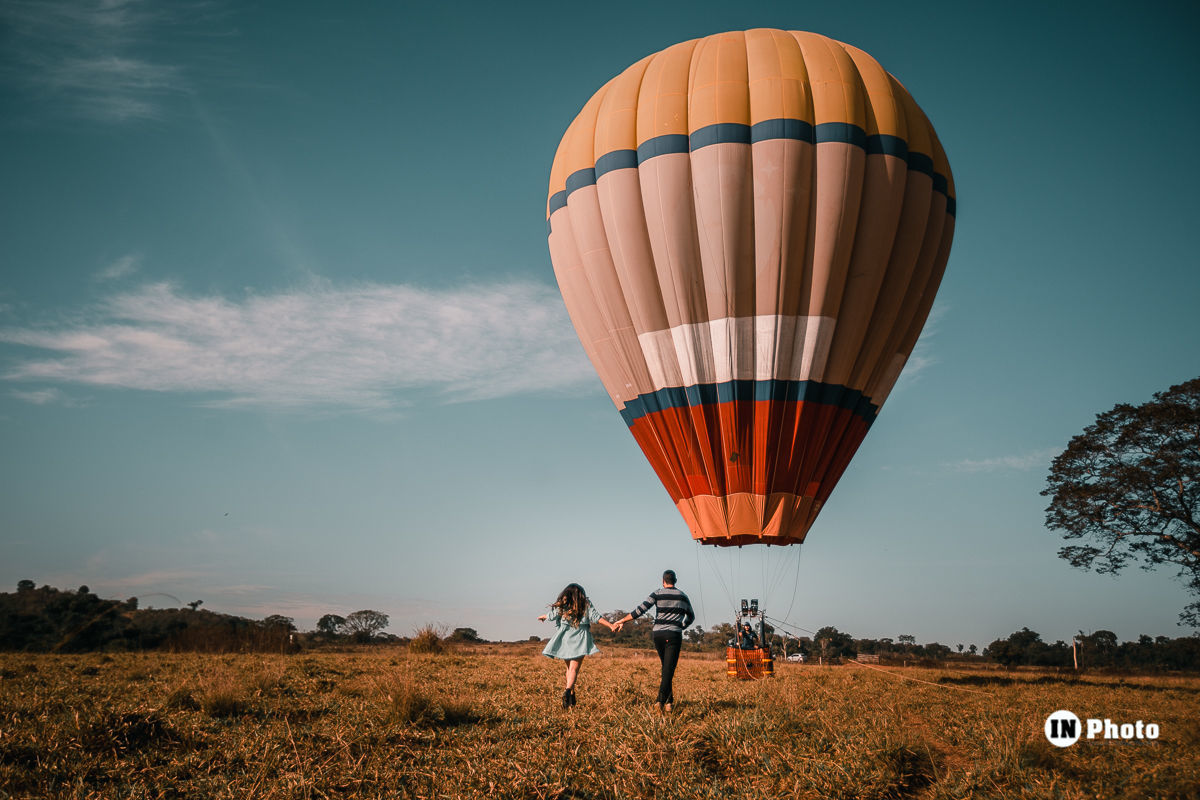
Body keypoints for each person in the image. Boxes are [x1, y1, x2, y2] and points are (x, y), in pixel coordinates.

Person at [613, 569, 695, 713]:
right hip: (673, 634)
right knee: (668, 669)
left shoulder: (657, 593)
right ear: (675, 581)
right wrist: (682, 626)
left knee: (666, 668)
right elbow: (691, 616)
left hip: (658, 634)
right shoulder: (683, 596)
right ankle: (660, 701)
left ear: (663, 581)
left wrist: (623, 620)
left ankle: (669, 702)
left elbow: (640, 610)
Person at [537, 583, 616, 709]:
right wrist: (611, 625)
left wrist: (544, 616)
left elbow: (552, 614)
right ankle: (568, 691)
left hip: (565, 639)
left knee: (569, 669)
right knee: (574, 669)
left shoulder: (563, 605)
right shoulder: (585, 604)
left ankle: (571, 696)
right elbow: (596, 617)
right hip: (580, 638)